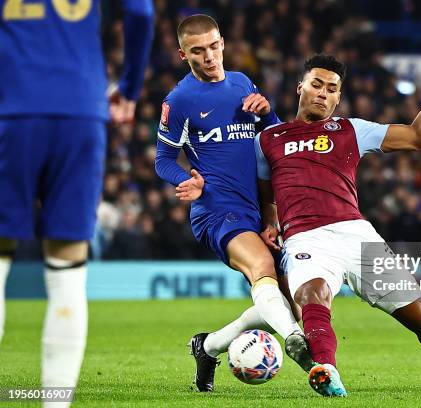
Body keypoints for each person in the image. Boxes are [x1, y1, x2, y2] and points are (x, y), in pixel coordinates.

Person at [255, 54, 421, 396]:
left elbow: (417, 137)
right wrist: (270, 223)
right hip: (305, 239)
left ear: (338, 98)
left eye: (332, 89)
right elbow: (268, 194)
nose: (323, 93)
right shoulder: (268, 139)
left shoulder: (351, 129)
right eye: (317, 85)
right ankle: (326, 370)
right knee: (313, 295)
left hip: (357, 235)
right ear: (300, 87)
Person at [0, 1, 154, 406]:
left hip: (12, 107)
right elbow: (140, 12)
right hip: (81, 111)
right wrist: (131, 87)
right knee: (68, 265)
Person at [154, 14, 312, 392]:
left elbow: (273, 141)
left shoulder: (242, 83)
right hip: (216, 209)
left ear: (222, 42)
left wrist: (267, 112)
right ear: (182, 54)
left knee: (289, 301)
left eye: (213, 46)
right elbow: (163, 159)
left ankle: (207, 347)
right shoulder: (179, 101)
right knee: (261, 268)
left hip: (256, 209)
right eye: (197, 51)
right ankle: (296, 344)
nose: (208, 56)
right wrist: (186, 180)